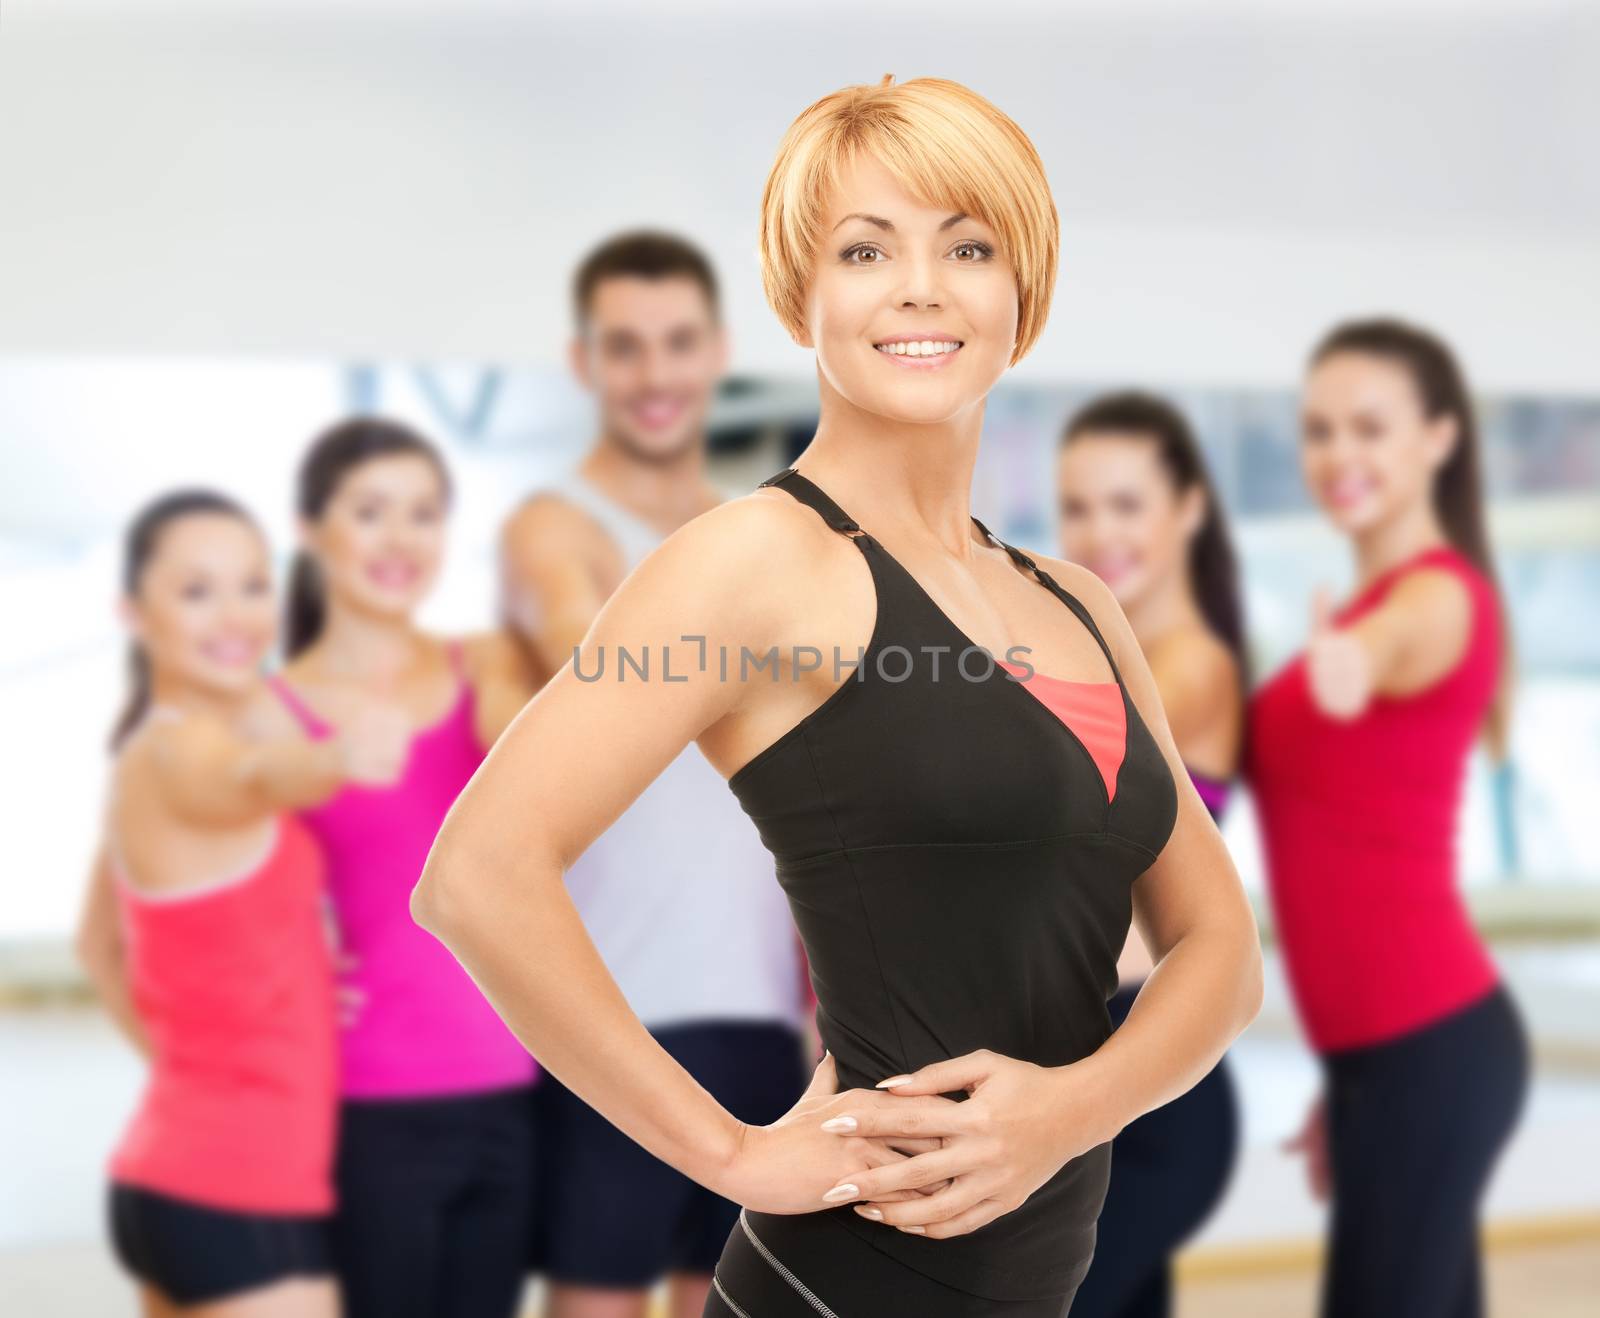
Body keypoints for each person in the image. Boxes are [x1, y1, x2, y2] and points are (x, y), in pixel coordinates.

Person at [414, 76, 1262, 1318]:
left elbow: (1222, 952)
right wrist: (731, 1151)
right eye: (865, 249)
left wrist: (1065, 1112)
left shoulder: (1079, 603)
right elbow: (478, 873)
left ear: (1020, 293)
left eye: (966, 246)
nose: (920, 285)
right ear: (798, 295)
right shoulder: (755, 561)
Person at [500, 232, 811, 1318]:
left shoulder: (762, 528)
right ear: (583, 362)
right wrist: (783, 662)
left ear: (717, 350)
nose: (655, 375)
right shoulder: (557, 526)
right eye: (624, 347)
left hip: (764, 1015)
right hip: (617, 1014)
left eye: (678, 343)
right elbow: (595, 665)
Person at [1249, 319, 1529, 1318]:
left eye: (1370, 427)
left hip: (1429, 1047)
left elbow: (1400, 644)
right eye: (1319, 430)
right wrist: (1351, 1075)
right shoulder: (1373, 599)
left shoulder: (1437, 601)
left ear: (1439, 438)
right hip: (1390, 1057)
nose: (1339, 455)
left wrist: (1350, 666)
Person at [78, 489, 405, 1316]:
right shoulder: (183, 755)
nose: (234, 613)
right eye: (196, 591)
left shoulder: (145, 753)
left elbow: (95, 944)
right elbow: (247, 776)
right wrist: (338, 762)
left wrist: (209, 1063)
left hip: (177, 1168)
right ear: (133, 610)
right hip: (241, 1192)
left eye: (254, 585)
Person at [262, 418, 539, 1318]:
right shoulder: (269, 716)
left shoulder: (487, 665)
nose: (399, 539)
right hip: (368, 1102)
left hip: (510, 1086)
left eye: (423, 514)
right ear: (311, 529)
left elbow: (546, 793)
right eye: (370, 511)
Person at [1055, 392, 1244, 1318]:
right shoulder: (1089, 654)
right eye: (1080, 508)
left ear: (1189, 510)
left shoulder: (1189, 664)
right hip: (1082, 1062)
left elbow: (1070, 779)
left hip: (1151, 1068)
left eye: (1127, 505)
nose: (1099, 534)